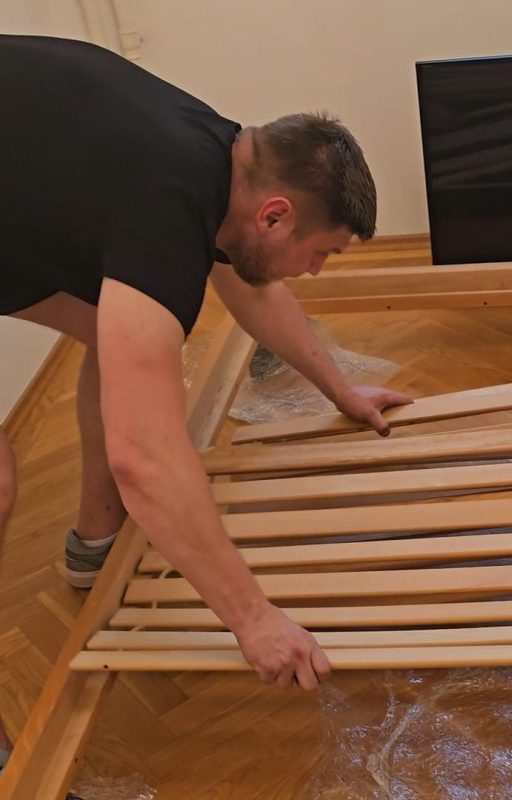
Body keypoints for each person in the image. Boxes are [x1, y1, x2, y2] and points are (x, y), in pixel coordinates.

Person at [0, 33, 413, 765]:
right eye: (322, 253)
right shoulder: (164, 207)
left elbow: (251, 285)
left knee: (119, 328)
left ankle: (93, 544)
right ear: (277, 215)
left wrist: (340, 390)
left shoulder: (216, 157)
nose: (315, 271)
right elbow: (145, 458)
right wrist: (252, 619)